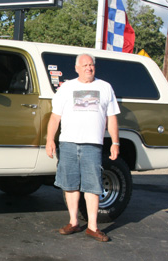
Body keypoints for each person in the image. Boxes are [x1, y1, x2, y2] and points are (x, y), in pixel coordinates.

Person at [46, 53, 120, 242]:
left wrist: (115, 142)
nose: (89, 68)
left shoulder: (105, 87)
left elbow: (112, 118)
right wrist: (50, 140)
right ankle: (73, 222)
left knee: (93, 186)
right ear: (77, 68)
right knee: (70, 184)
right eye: (85, 65)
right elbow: (55, 117)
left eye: (91, 65)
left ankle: (93, 227)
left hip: (93, 145)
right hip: (68, 142)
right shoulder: (67, 88)